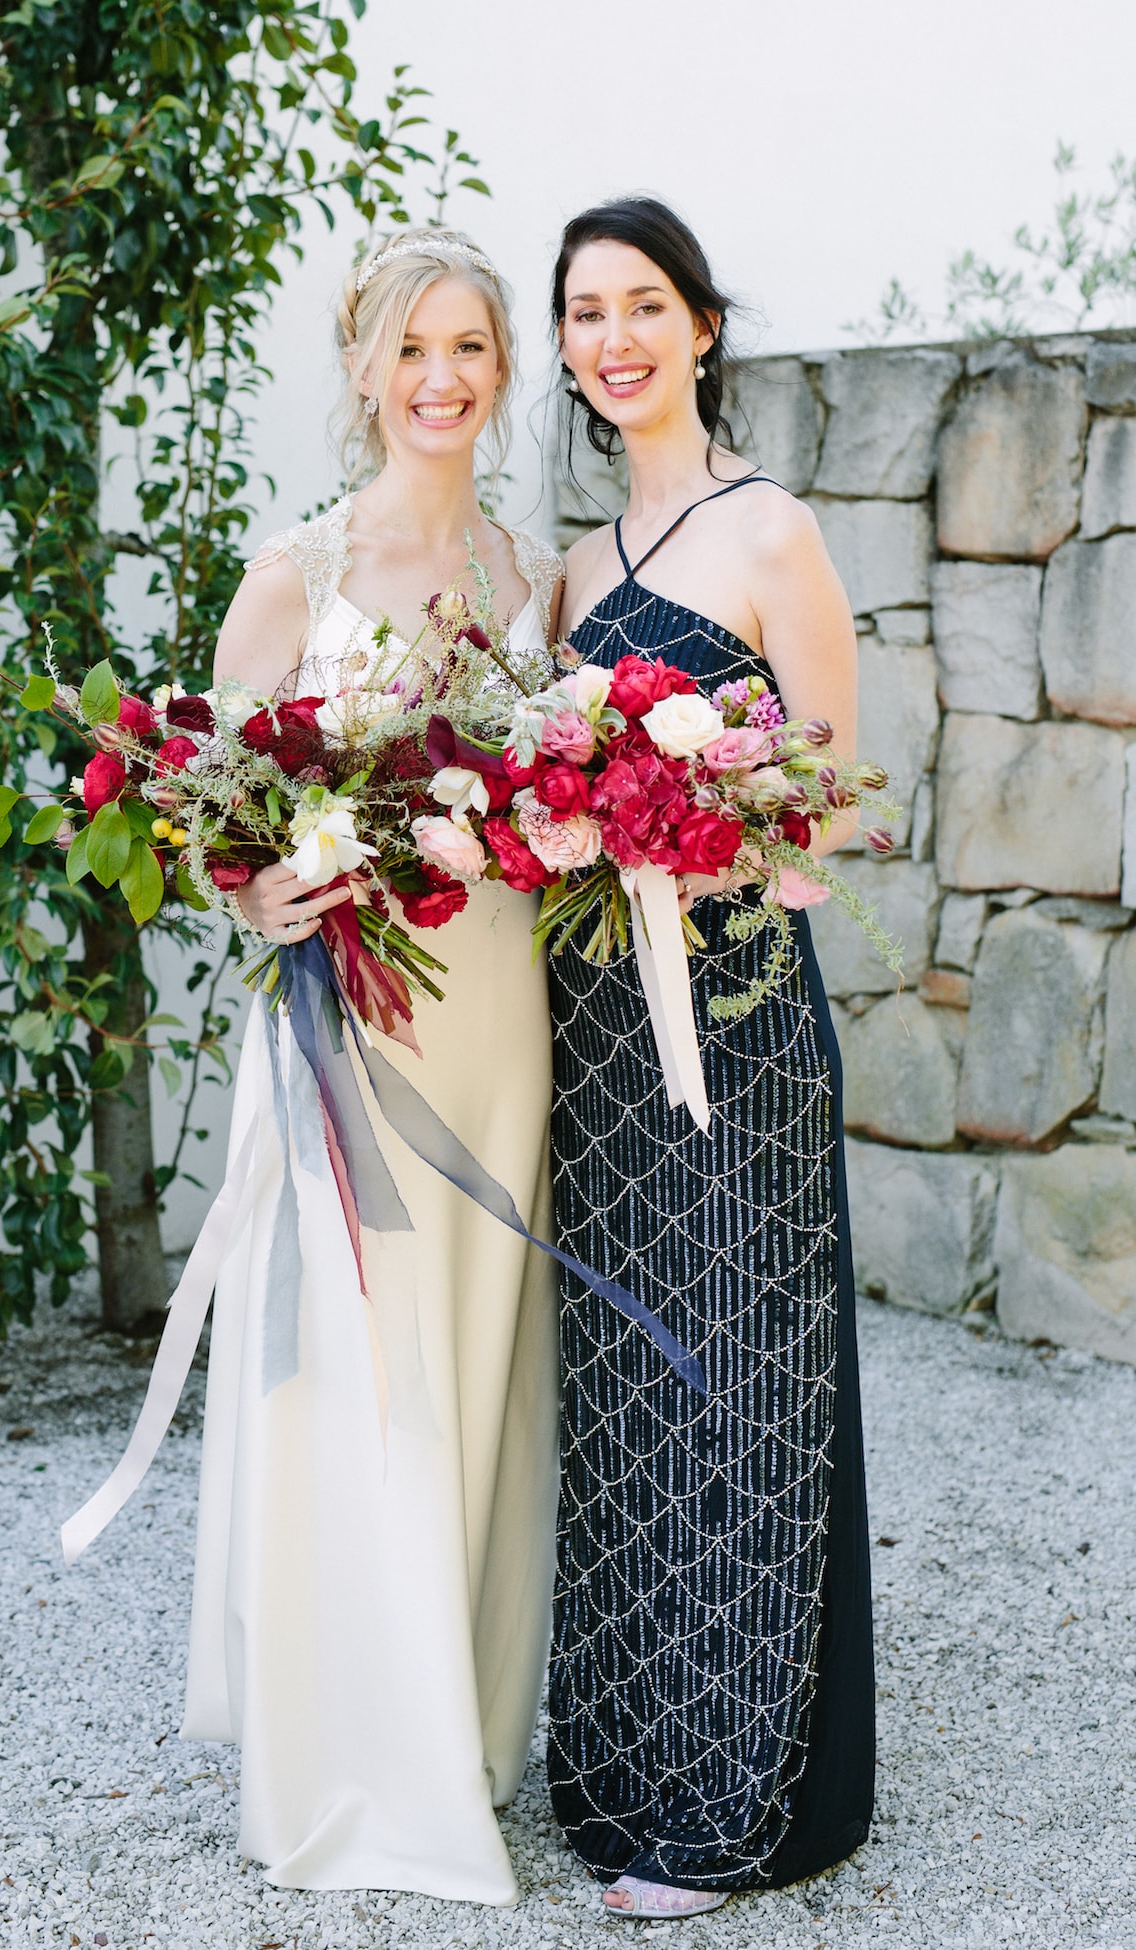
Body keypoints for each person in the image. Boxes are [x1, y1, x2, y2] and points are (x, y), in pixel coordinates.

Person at [181, 229, 563, 1904]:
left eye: (471, 347)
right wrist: (262, 885)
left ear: (499, 369)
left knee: (478, 1357)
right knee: (356, 1368)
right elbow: (205, 810)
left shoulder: (521, 570)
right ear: (360, 366)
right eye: (413, 347)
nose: (443, 378)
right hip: (351, 1023)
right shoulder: (297, 571)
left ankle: (465, 1734)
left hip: (498, 1016)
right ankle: (352, 1757)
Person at [545, 197, 875, 1919]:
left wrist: (690, 838)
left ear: (702, 324)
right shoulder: (575, 570)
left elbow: (822, 812)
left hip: (736, 1018)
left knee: (742, 1384)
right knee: (622, 1389)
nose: (616, 339)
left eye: (644, 305)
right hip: (598, 1033)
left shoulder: (769, 534)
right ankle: (616, 1754)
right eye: (588, 314)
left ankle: (737, 1800)